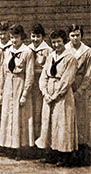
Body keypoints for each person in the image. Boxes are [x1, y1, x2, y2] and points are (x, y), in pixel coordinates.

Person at [37, 30, 78, 166]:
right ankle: (52, 154)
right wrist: (45, 93)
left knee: (62, 125)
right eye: (53, 42)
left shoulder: (70, 58)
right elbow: (44, 75)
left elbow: (67, 79)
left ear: (64, 41)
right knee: (49, 124)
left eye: (59, 41)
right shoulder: (51, 56)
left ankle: (64, 156)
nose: (56, 45)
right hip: (49, 94)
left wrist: (55, 95)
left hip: (62, 96)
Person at [0, 24, 35, 151]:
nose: (14, 40)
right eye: (12, 37)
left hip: (20, 84)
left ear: (22, 37)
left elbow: (30, 75)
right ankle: (8, 147)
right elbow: (3, 72)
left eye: (16, 37)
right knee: (7, 115)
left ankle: (20, 148)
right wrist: (0, 92)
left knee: (20, 116)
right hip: (8, 84)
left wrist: (24, 94)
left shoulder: (27, 52)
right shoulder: (7, 51)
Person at [65, 24, 91, 161]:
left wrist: (80, 91)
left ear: (81, 35)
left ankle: (82, 152)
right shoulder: (64, 49)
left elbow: (88, 74)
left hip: (80, 85)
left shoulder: (87, 51)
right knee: (67, 118)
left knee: (81, 119)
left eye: (78, 35)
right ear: (69, 36)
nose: (75, 38)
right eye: (72, 35)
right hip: (67, 85)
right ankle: (67, 150)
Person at [27, 24, 52, 139]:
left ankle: (41, 139)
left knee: (39, 111)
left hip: (40, 83)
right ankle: (30, 139)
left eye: (38, 36)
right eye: (33, 36)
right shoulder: (27, 49)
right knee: (29, 111)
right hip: (28, 82)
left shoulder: (48, 50)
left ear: (43, 37)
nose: (35, 39)